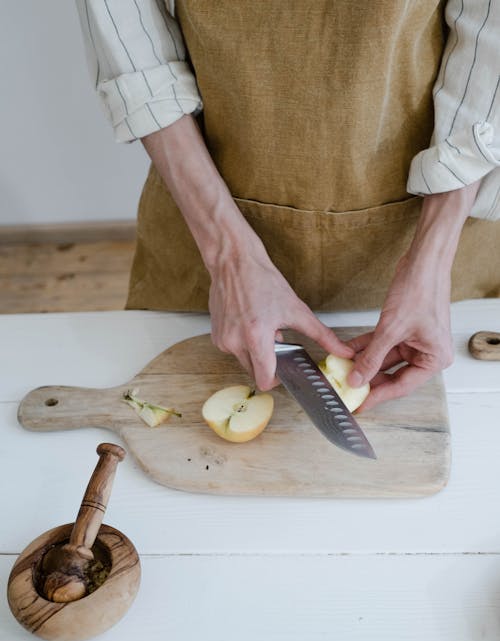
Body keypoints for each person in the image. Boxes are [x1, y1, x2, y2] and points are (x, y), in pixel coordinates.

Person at [77, 1, 500, 410]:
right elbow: (132, 49)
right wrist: (229, 255)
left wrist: (430, 263)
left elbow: (490, 40)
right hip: (201, 222)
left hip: (436, 234)